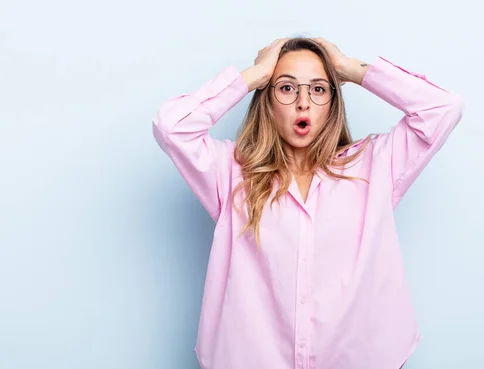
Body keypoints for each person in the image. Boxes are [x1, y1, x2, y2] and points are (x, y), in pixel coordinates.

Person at [152, 37, 465, 369]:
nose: (303, 103)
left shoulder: (375, 165)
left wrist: (352, 69)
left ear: (333, 101)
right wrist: (252, 76)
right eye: (286, 88)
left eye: (318, 89)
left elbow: (444, 108)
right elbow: (171, 127)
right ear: (267, 100)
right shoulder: (229, 173)